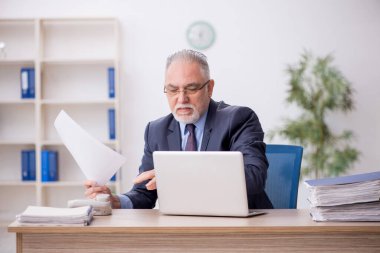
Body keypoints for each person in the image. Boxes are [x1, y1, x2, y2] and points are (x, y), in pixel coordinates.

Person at [85, 49, 273, 209]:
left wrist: (178, 175)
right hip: (183, 227)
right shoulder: (156, 130)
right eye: (173, 90)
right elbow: (145, 192)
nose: (181, 99)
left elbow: (253, 177)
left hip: (243, 228)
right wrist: (116, 201)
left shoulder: (238, 119)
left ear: (210, 88)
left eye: (191, 88)